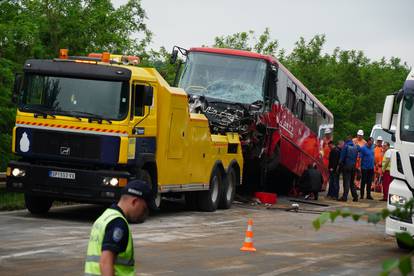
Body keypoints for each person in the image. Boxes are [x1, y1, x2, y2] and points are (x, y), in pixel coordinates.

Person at [84, 180, 158, 276]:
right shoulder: (118, 224)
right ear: (135, 202)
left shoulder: (105, 217)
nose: (146, 215)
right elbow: (105, 262)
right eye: (145, 209)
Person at [339, 135, 359, 202]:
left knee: (346, 182)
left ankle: (344, 197)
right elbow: (356, 157)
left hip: (347, 166)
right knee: (351, 182)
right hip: (353, 166)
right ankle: (355, 196)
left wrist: (339, 164)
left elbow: (342, 157)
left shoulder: (346, 146)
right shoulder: (355, 147)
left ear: (347, 140)